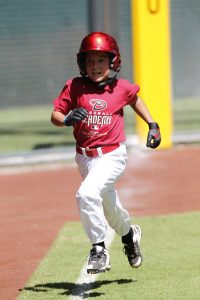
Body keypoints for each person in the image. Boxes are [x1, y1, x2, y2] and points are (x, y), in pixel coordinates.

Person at [51, 32, 161, 274]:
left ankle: (99, 249)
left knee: (87, 194)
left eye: (101, 60)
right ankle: (129, 235)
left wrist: (152, 124)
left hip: (112, 155)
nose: (95, 66)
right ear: (82, 64)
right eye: (90, 61)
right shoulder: (75, 86)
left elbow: (135, 99)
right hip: (84, 157)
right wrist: (68, 119)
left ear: (113, 61)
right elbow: (56, 116)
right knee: (109, 207)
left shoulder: (120, 87)